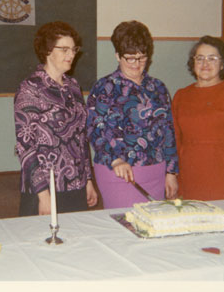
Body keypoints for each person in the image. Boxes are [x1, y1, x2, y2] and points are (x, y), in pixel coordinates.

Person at [86, 20, 179, 209]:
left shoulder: (158, 88)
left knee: (154, 225)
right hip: (118, 171)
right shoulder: (104, 87)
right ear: (117, 56)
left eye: (142, 57)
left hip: (156, 171)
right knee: (125, 226)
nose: (137, 64)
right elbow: (94, 129)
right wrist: (115, 159)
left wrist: (171, 172)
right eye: (130, 58)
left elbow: (168, 131)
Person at [14, 21, 98, 216]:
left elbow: (81, 138)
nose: (71, 55)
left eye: (73, 49)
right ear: (47, 51)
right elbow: (25, 146)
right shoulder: (30, 89)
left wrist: (88, 181)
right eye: (64, 49)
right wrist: (43, 196)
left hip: (75, 184)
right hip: (44, 187)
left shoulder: (73, 86)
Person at [172, 36, 224, 200]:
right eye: (200, 58)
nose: (205, 64)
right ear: (193, 62)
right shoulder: (181, 95)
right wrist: (173, 175)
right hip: (190, 173)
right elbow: (174, 139)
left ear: (222, 63)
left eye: (212, 58)